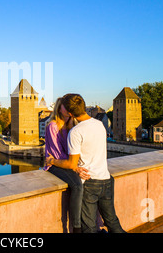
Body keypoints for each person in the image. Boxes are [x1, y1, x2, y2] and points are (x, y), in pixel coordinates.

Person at [46, 93, 125, 233]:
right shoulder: (99, 124)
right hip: (106, 179)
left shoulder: (76, 132)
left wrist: (51, 160)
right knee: (113, 222)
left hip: (90, 182)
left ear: (70, 113)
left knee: (89, 228)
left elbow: (71, 164)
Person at [44, 98, 90, 233]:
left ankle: (86, 223)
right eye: (66, 107)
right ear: (59, 109)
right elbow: (57, 152)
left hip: (67, 163)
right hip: (55, 164)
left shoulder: (70, 126)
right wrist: (75, 167)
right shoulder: (53, 126)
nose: (70, 110)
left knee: (85, 182)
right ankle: (76, 228)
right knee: (77, 185)